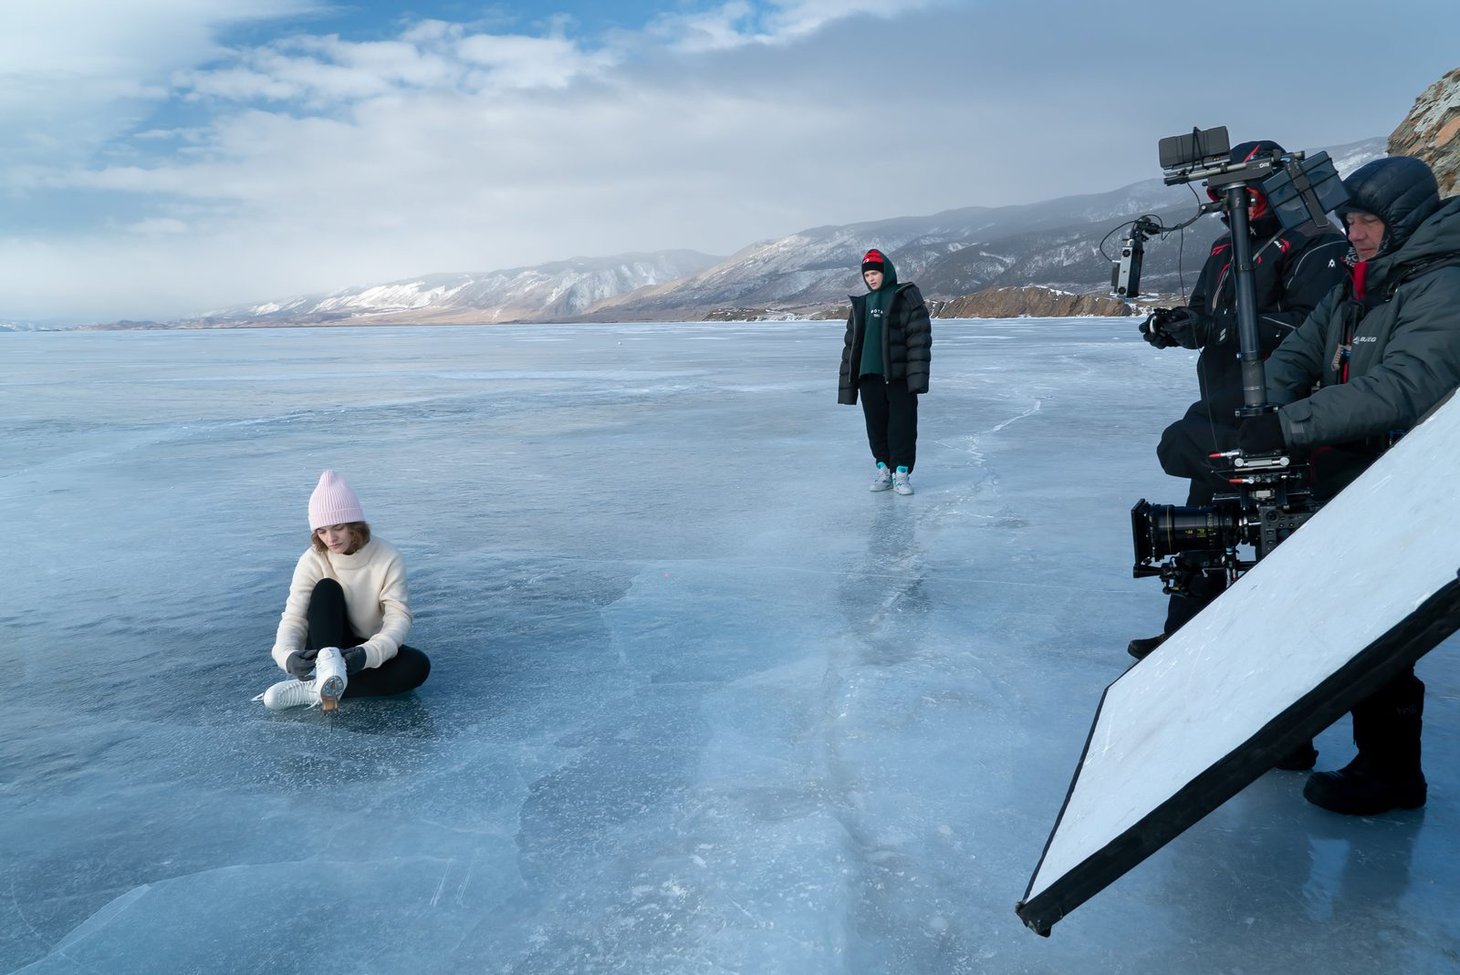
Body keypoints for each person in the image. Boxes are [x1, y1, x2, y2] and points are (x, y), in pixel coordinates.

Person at [1234, 155, 1460, 815]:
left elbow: (1405, 385)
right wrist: (1256, 413)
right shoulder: (1367, 279)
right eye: (1350, 220)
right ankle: (1292, 732)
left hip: (1411, 478)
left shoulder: (1443, 285)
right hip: (1351, 467)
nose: (1353, 233)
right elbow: (1303, 350)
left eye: (1367, 221)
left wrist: (1290, 424)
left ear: (1406, 220)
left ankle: (1391, 772)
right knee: (1304, 603)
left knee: (1376, 626)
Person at [1130, 139, 1349, 673]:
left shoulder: (1315, 245)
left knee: (1281, 540)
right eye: (1222, 197)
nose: (1232, 208)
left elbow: (1311, 327)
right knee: (1203, 527)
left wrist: (1218, 326)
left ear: (1272, 193)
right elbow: (1209, 316)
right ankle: (1180, 640)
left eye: (1244, 198)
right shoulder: (1225, 251)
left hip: (1283, 410)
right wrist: (1179, 327)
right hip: (1221, 404)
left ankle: (1280, 671)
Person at [256, 470, 431, 710]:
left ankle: (315, 690)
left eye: (337, 527)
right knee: (326, 589)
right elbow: (294, 617)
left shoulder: (387, 557)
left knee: (417, 666)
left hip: (361, 653)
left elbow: (398, 618)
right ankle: (327, 675)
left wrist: (368, 653)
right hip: (324, 645)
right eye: (321, 531)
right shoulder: (312, 560)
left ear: (354, 525)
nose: (330, 538)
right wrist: (285, 655)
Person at [838, 248, 932, 496]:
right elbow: (851, 346)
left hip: (898, 376)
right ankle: (884, 470)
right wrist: (850, 378)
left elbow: (919, 338)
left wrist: (917, 376)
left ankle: (901, 473)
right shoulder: (862, 304)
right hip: (868, 375)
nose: (871, 278)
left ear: (886, 272)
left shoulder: (905, 297)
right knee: (876, 426)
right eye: (867, 274)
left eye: (875, 273)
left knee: (902, 425)